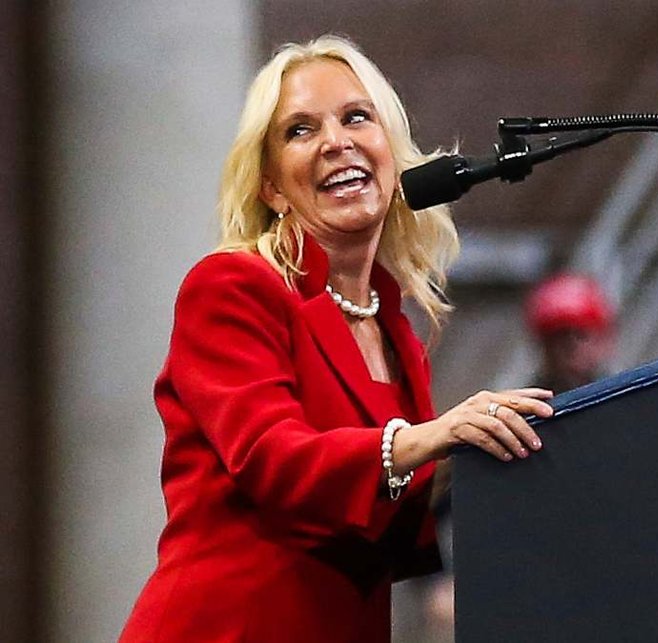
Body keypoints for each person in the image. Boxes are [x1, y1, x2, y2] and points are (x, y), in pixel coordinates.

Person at [119, 35, 553, 643]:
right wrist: (435, 435)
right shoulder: (231, 287)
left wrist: (499, 445)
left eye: (356, 117)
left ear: (391, 157)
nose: (335, 142)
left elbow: (387, 513)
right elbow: (275, 459)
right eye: (300, 130)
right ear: (271, 186)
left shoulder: (393, 326)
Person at [524, 272, 616, 393]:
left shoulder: (617, 393)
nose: (571, 347)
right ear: (545, 347)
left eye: (580, 335)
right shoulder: (530, 401)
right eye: (560, 337)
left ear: (599, 341)